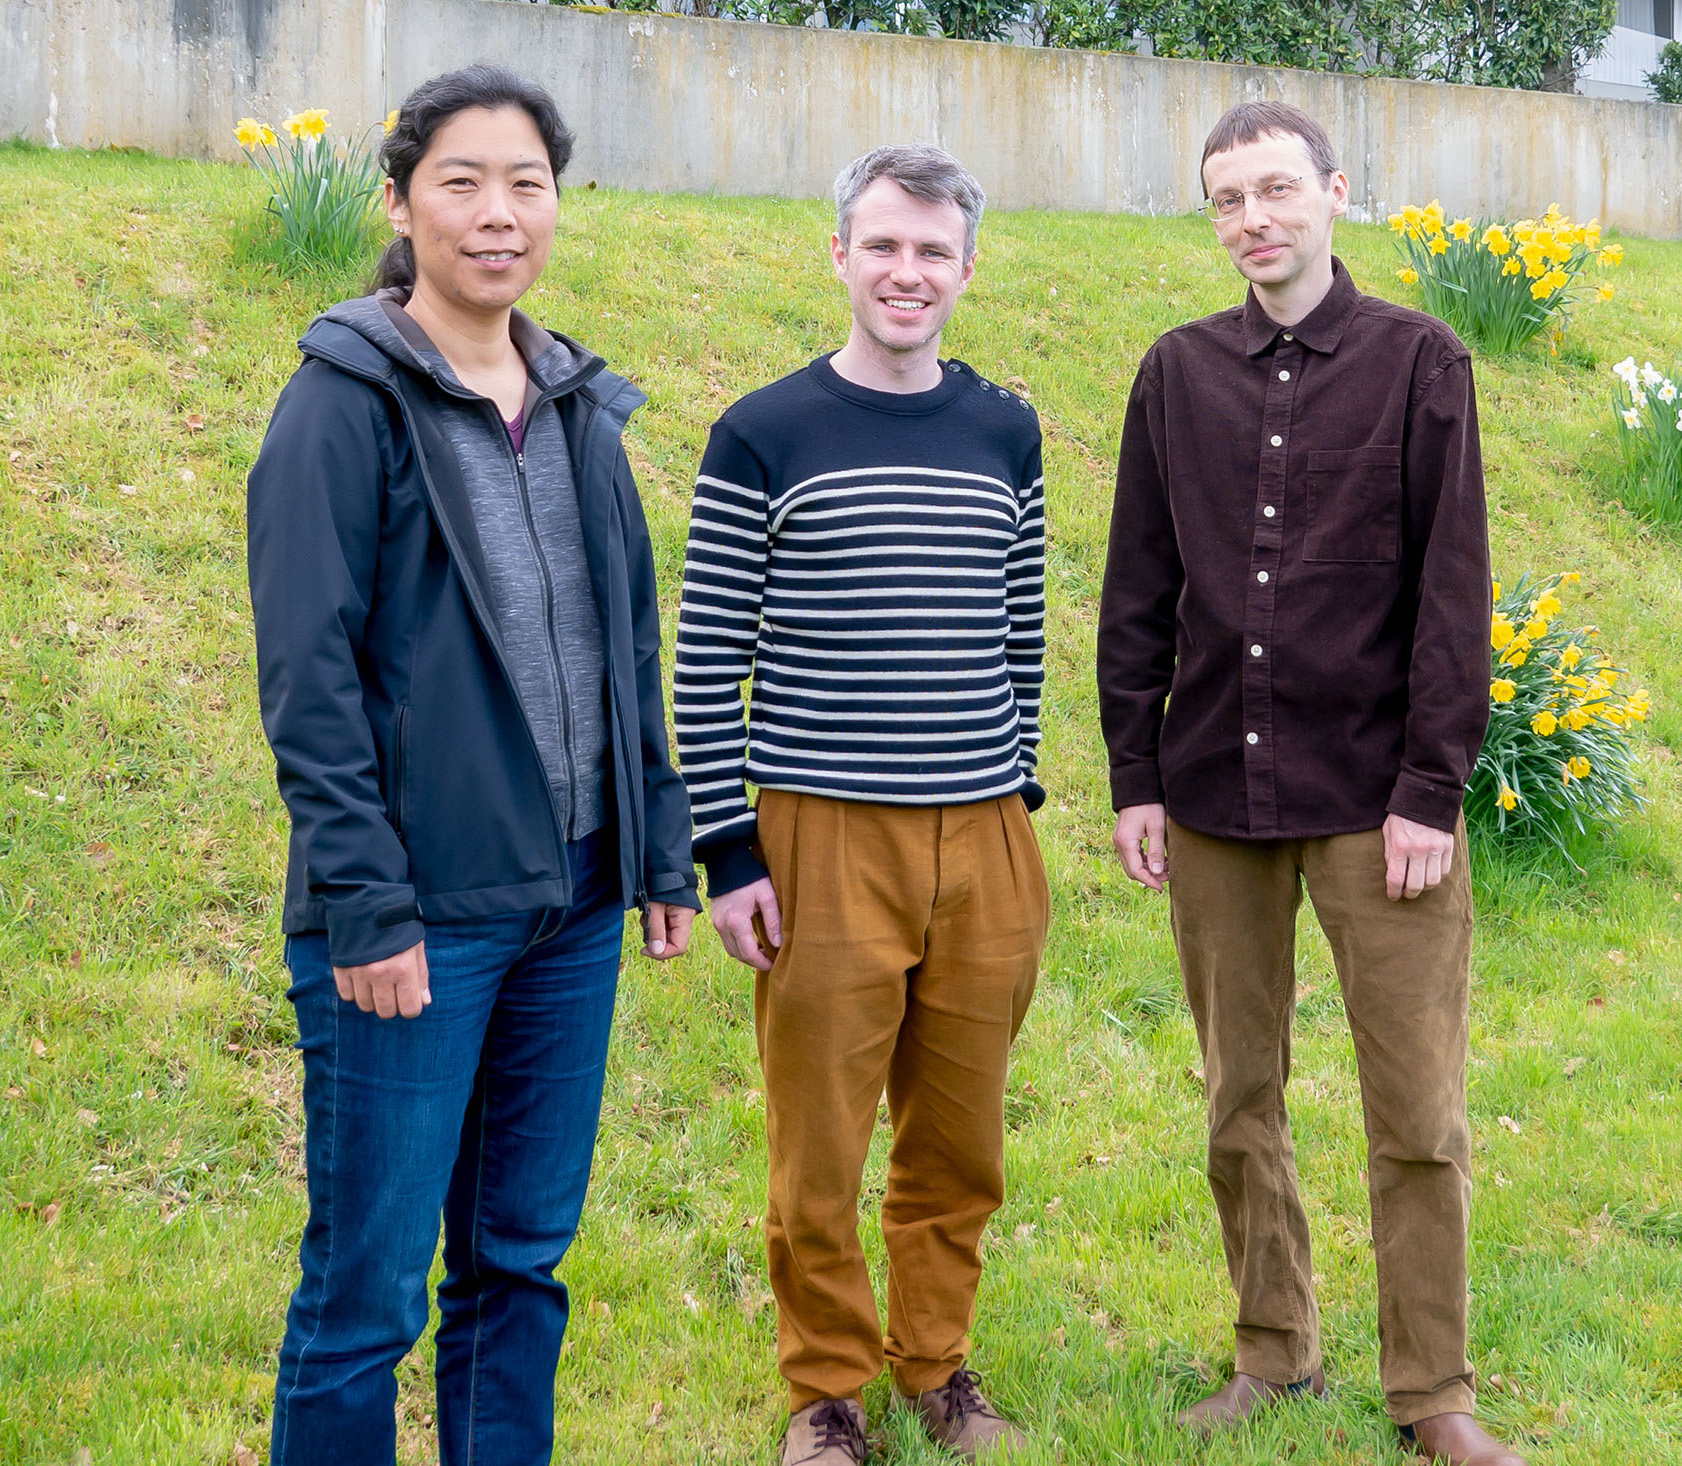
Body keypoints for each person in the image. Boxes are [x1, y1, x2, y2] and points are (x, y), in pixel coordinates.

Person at [247, 65, 697, 1466]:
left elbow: (629, 645)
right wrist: (366, 905)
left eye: (526, 184)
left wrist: (657, 848)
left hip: (571, 910)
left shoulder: (575, 406)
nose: (498, 212)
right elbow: (307, 682)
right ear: (398, 203)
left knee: (518, 1268)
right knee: (365, 1297)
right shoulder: (342, 404)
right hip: (417, 919)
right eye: (462, 182)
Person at [1097, 101, 1525, 1466]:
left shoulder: (1419, 361)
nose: (1253, 219)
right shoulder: (1175, 374)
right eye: (1227, 199)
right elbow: (1137, 588)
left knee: (1418, 1110)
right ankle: (1272, 1350)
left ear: (1336, 192)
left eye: (1276, 189)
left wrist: (1430, 788)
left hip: (1376, 802)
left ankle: (1431, 1391)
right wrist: (1133, 775)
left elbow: (1452, 590)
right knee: (1239, 1096)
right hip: (1211, 793)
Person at [674, 144, 1048, 1464]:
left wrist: (1016, 786)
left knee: (959, 1137)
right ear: (838, 253)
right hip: (822, 835)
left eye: (932, 250)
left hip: (984, 835)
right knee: (819, 1146)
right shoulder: (764, 433)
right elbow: (704, 658)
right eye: (882, 244)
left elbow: (1019, 633)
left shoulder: (1004, 432)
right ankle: (826, 1392)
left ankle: (936, 1365)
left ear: (967, 268)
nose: (906, 271)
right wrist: (728, 850)